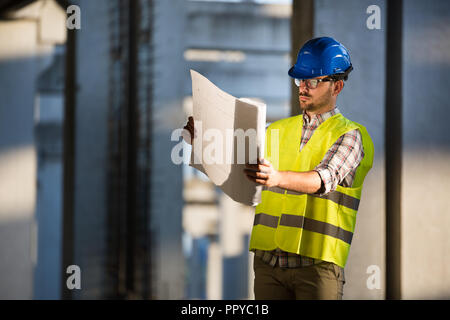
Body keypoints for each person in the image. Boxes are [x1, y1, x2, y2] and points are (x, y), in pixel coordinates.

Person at [183, 37, 374, 300]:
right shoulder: (276, 131)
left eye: (313, 81)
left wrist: (275, 178)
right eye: (300, 80)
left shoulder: (350, 135)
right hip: (268, 266)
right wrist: (203, 144)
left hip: (316, 269)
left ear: (337, 86)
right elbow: (241, 172)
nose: (303, 87)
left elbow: (323, 179)